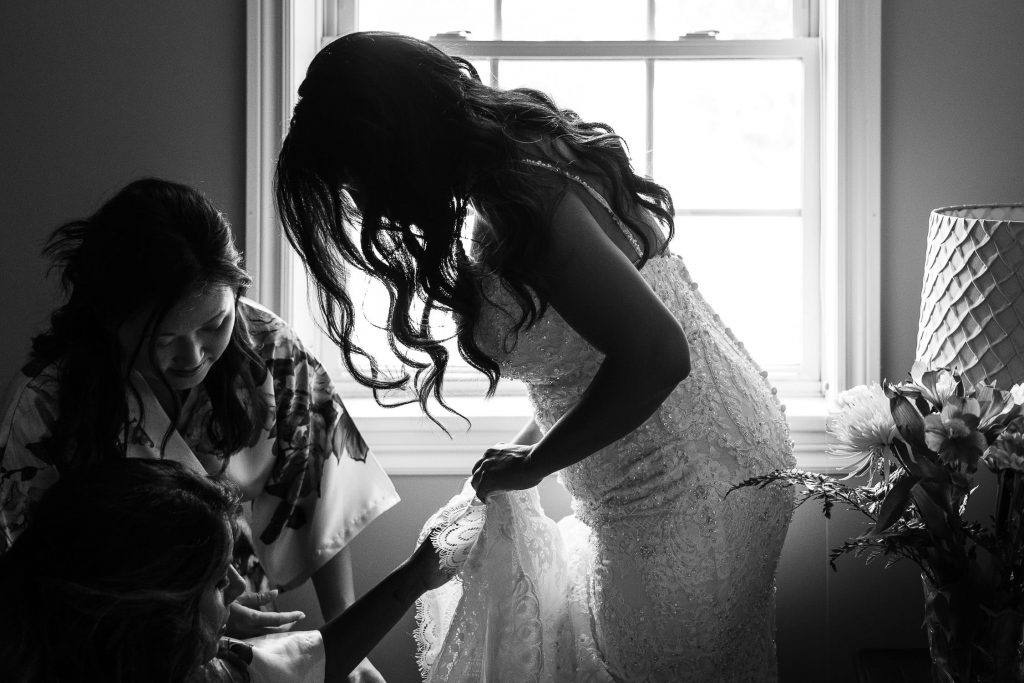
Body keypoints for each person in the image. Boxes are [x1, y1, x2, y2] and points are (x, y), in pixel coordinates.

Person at [275, 31, 796, 682]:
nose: (356, 198)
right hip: (727, 450)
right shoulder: (534, 150)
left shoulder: (519, 204)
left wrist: (536, 462)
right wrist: (529, 449)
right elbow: (586, 355)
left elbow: (658, 354)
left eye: (352, 177)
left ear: (390, 146)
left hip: (679, 493)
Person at [0, 178, 399, 682]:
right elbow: (42, 577)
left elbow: (318, 488)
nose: (193, 358)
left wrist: (344, 638)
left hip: (240, 615)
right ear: (108, 316)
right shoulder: (45, 404)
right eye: (164, 338)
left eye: (214, 325)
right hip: (114, 651)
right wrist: (194, 615)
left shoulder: (267, 347)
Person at [0, 458, 448, 682]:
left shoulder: (175, 661)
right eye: (217, 582)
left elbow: (313, 658)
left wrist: (416, 575)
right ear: (157, 612)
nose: (238, 587)